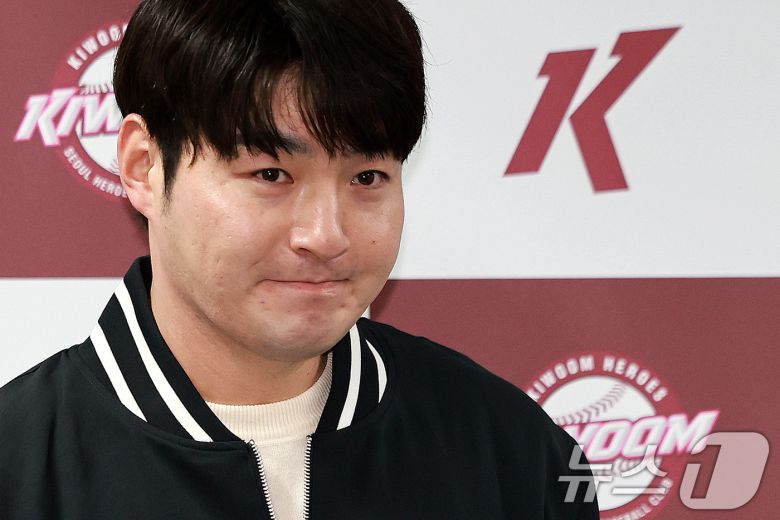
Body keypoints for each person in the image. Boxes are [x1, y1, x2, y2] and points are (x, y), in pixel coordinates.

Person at [0, 0, 598, 518]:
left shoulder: (514, 453)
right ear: (144, 166)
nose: (325, 235)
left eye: (367, 177)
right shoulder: (20, 468)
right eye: (271, 174)